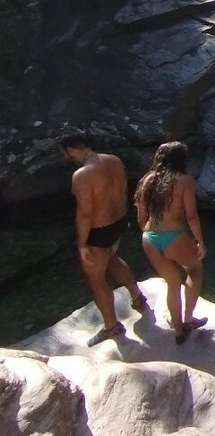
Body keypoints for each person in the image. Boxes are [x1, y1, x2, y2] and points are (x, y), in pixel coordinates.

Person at [59, 130, 148, 347]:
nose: (65, 158)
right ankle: (138, 297)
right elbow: (125, 192)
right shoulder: (114, 161)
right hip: (118, 222)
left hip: (97, 231)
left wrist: (81, 244)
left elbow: (85, 213)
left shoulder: (82, 175)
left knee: (96, 279)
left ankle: (112, 327)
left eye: (65, 153)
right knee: (112, 258)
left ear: (72, 149)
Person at [134, 141, 207, 344]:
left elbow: (141, 216)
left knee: (173, 282)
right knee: (195, 270)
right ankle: (189, 319)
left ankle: (178, 331)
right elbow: (191, 216)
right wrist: (200, 241)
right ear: (181, 160)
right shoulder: (185, 181)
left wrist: (151, 235)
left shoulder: (146, 180)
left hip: (149, 238)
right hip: (173, 235)